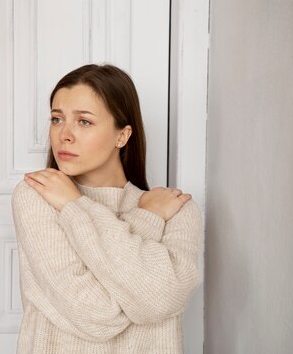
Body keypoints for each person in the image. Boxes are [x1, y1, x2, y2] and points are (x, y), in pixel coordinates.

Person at [12, 64, 202, 353]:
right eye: (56, 119)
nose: (64, 134)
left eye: (84, 122)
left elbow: (160, 298)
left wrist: (74, 207)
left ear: (122, 136)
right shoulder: (37, 197)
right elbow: (97, 315)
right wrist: (147, 219)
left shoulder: (179, 210)